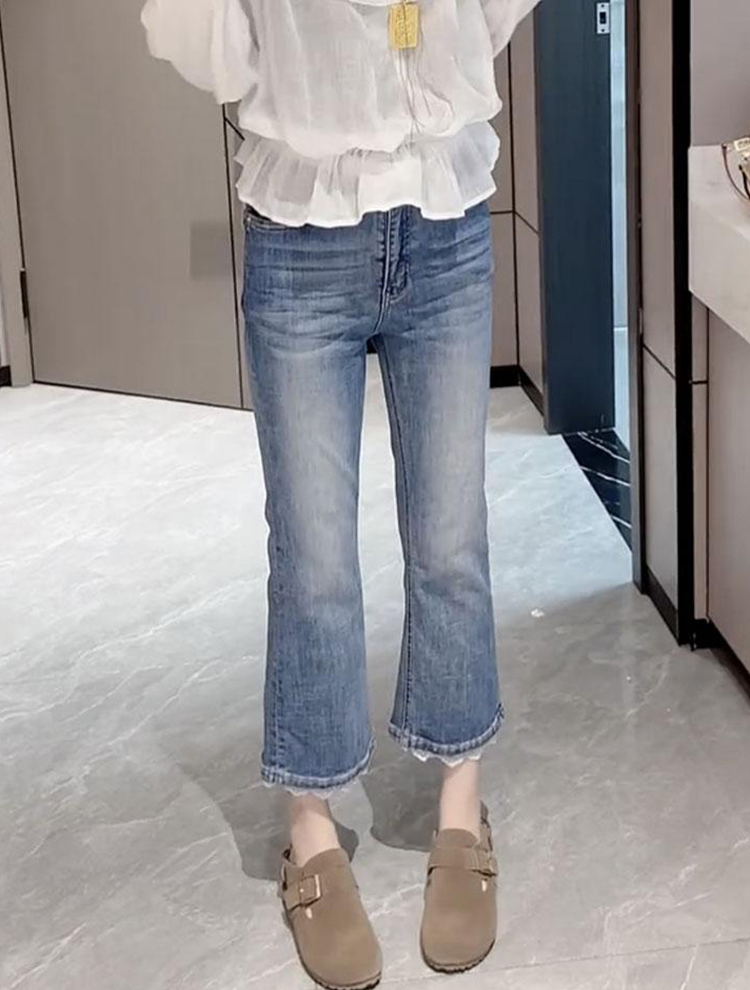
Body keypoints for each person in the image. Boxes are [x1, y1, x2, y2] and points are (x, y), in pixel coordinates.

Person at [142, 1, 539, 985]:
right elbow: (211, 47)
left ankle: (461, 807)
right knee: (314, 557)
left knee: (450, 537)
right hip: (301, 233)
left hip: (444, 218)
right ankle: (310, 831)